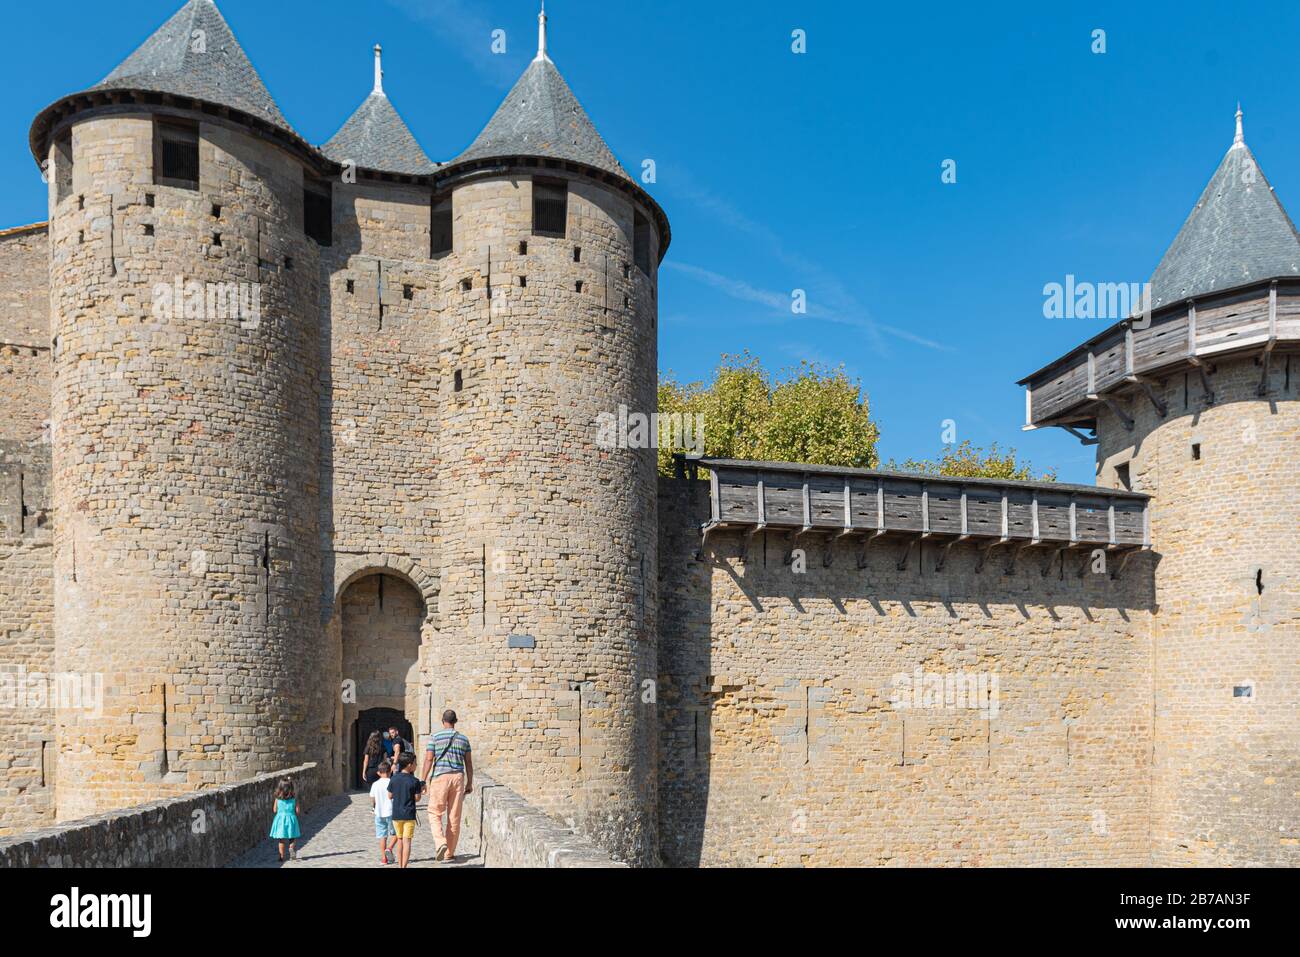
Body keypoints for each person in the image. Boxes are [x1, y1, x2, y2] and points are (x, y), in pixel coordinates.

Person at [421, 709, 473, 863]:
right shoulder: (464, 739)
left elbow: (429, 759)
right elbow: (468, 763)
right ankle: (449, 852)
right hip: (458, 777)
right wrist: (469, 782)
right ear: (455, 721)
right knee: (454, 816)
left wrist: (423, 780)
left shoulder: (435, 737)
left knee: (434, 812)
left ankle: (440, 842)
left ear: (443, 721)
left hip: (440, 778)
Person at [386, 752, 424, 868]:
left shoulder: (394, 778)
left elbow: (389, 795)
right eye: (415, 763)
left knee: (400, 840)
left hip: (396, 815)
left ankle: (399, 866)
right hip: (409, 815)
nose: (416, 765)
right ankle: (404, 866)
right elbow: (417, 798)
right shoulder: (415, 781)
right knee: (407, 842)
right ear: (409, 765)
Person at [369, 758, 397, 865]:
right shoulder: (392, 782)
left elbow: (372, 798)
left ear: (378, 773)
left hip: (379, 813)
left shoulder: (375, 784)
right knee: (397, 834)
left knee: (382, 836)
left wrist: (374, 807)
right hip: (391, 812)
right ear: (390, 771)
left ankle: (384, 859)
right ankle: (389, 848)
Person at [269, 776, 302, 862]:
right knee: (292, 837)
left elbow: (274, 810)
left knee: (281, 840)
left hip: (280, 820)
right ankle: (291, 848)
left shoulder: (277, 799)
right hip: (291, 818)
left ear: (280, 787)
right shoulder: (294, 798)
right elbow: (298, 811)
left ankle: (281, 856)